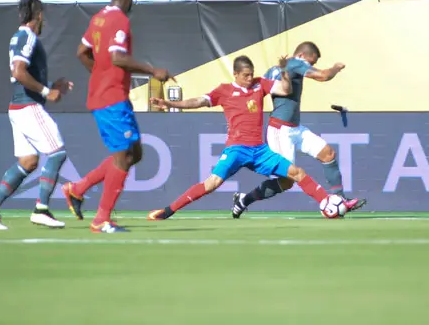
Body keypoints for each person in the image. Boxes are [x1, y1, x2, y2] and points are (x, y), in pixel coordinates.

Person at [147, 55, 361, 221]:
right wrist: (170, 104)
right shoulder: (224, 90)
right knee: (211, 183)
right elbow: (198, 102)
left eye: (252, 74)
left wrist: (285, 70)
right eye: (246, 75)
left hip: (260, 150)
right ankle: (167, 211)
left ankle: (326, 202)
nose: (250, 79)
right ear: (236, 75)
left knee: (296, 173)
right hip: (236, 150)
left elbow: (285, 90)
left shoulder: (260, 84)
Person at [62, 0, 171, 234]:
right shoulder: (119, 20)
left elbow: (81, 52)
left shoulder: (98, 17)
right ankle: (101, 219)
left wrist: (99, 74)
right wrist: (152, 69)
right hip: (110, 98)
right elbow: (118, 58)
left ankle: (76, 190)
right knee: (124, 157)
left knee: (135, 153)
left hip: (110, 95)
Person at [232, 42, 366, 218]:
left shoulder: (273, 70)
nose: (311, 66)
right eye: (312, 61)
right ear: (303, 55)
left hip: (295, 128)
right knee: (287, 181)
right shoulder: (296, 63)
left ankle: (340, 200)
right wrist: (335, 67)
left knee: (328, 154)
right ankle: (244, 200)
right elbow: (323, 76)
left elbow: (255, 92)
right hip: (281, 131)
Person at [0, 0, 73, 230]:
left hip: (18, 107)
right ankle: (41, 209)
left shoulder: (19, 37)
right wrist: (45, 91)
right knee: (57, 152)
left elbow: (21, 73)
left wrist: (50, 87)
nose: (44, 22)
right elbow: (19, 72)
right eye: (43, 16)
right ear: (38, 15)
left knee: (29, 161)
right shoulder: (27, 36)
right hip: (28, 106)